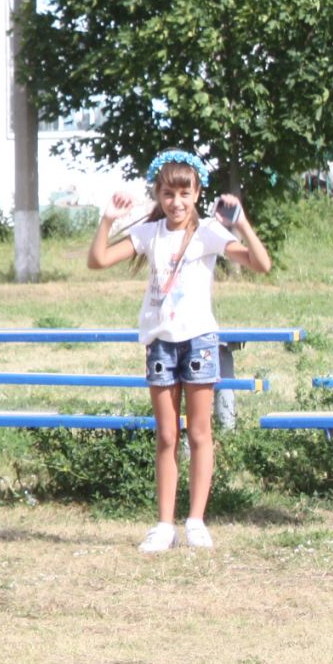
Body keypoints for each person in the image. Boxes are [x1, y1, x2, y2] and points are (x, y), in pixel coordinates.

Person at [87, 150, 272, 552]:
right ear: (158, 194)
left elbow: (261, 264)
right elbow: (98, 260)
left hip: (199, 341)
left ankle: (196, 521)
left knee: (200, 433)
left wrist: (241, 222)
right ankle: (164, 525)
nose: (176, 202)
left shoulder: (207, 232)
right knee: (167, 435)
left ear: (197, 194)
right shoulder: (149, 234)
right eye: (168, 194)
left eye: (184, 193)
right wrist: (107, 219)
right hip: (160, 342)